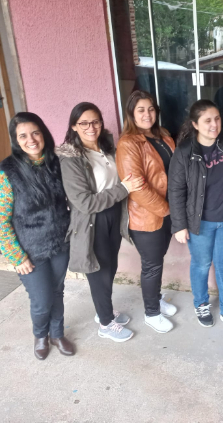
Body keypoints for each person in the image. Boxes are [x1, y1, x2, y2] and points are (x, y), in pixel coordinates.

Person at [57, 102, 144, 342]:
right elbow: (84, 203)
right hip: (92, 221)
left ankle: (103, 311)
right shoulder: (71, 159)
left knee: (110, 267)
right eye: (84, 123)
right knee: (99, 272)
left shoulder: (106, 148)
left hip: (113, 215)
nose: (91, 127)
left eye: (95, 121)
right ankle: (106, 323)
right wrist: (124, 188)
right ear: (74, 126)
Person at [0, 112, 74, 359]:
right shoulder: (7, 172)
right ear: (16, 140)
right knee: (42, 299)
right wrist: (16, 256)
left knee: (57, 291)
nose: (31, 140)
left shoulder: (57, 163)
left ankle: (57, 334)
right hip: (29, 250)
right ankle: (41, 335)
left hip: (60, 242)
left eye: (35, 133)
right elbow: (1, 220)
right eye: (23, 136)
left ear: (43, 134)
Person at [168, 100, 223, 334]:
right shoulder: (185, 151)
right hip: (199, 222)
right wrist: (179, 225)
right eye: (207, 120)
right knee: (201, 265)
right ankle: (201, 304)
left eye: (217, 118)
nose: (214, 124)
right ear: (195, 124)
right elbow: (176, 190)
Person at [116, 90, 178, 334]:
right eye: (141, 110)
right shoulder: (128, 143)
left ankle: (157, 299)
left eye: (151, 109)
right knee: (151, 265)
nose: (147, 114)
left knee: (157, 261)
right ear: (132, 114)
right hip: (146, 216)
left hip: (166, 212)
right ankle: (151, 313)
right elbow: (137, 188)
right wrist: (167, 210)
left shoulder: (163, 136)